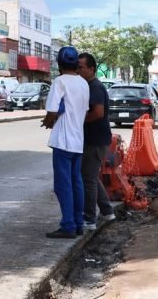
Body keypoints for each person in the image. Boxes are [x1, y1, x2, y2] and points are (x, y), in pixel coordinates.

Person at [41, 46, 90, 239]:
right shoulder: (84, 84)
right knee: (76, 183)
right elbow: (82, 111)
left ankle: (68, 225)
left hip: (62, 141)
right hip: (78, 140)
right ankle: (78, 223)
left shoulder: (59, 82)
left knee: (63, 185)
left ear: (59, 64)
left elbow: (52, 110)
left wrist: (47, 122)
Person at [76, 52, 115, 231]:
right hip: (94, 139)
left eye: (81, 67)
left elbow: (98, 113)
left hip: (95, 140)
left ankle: (89, 218)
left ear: (91, 69)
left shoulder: (95, 87)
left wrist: (78, 120)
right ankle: (107, 210)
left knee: (88, 179)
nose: (78, 70)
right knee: (90, 176)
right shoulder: (88, 86)